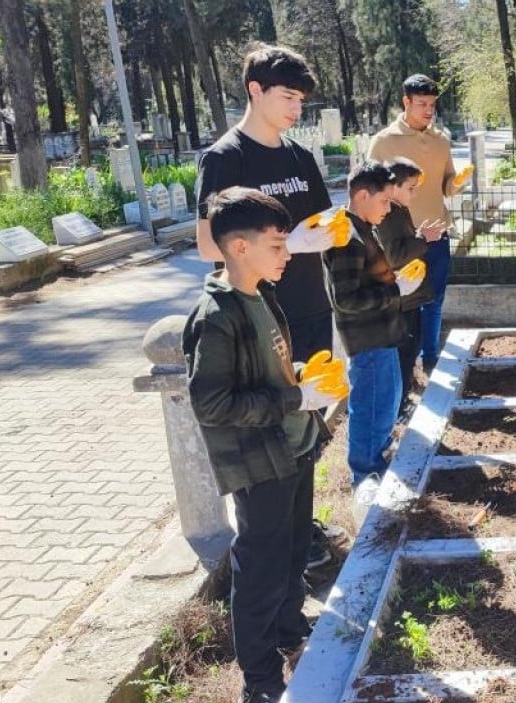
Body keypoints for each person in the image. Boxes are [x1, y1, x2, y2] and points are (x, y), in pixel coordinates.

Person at [183, 187, 347, 703]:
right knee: (261, 570)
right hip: (259, 462)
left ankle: (291, 629)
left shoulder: (261, 294)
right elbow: (211, 403)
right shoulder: (216, 315)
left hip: (292, 448)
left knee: (295, 550)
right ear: (237, 246)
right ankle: (258, 681)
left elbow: (267, 370)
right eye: (277, 245)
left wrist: (300, 378)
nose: (286, 254)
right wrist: (295, 396)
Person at [195, 43, 344, 569]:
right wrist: (290, 243)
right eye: (287, 97)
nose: (296, 109)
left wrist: (323, 236)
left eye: (302, 100)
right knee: (268, 424)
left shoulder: (300, 158)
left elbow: (323, 224)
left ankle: (301, 524)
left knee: (307, 422)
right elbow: (208, 246)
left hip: (307, 306)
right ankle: (266, 542)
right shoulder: (225, 159)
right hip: (255, 317)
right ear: (254, 91)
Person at [321, 162, 426, 515]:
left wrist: (394, 283)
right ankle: (366, 480)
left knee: (386, 405)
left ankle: (378, 468)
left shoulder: (362, 227)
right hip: (368, 338)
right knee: (371, 408)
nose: (388, 209)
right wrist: (396, 290)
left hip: (383, 333)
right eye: (384, 201)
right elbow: (346, 300)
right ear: (362, 195)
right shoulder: (345, 236)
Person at [366, 73, 472, 377]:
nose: (429, 110)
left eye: (432, 104)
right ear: (406, 102)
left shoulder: (441, 140)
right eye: (422, 104)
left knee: (434, 298)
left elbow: (446, 187)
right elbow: (371, 188)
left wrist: (458, 182)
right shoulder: (384, 142)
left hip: (436, 233)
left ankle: (430, 356)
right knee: (402, 300)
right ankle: (403, 363)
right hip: (398, 238)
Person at [375, 157, 434, 406]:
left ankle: (404, 396)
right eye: (410, 187)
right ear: (394, 186)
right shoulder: (388, 214)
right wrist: (422, 239)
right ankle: (398, 404)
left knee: (410, 350)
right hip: (401, 297)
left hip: (409, 296)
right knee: (403, 353)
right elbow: (394, 255)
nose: (415, 193)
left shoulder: (398, 210)